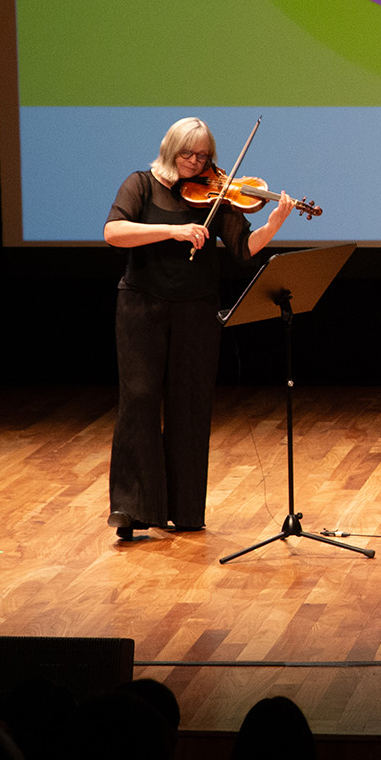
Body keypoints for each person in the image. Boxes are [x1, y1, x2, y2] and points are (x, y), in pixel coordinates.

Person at [104, 117, 293, 538]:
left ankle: (185, 510)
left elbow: (244, 249)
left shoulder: (218, 193)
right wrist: (173, 230)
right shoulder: (140, 184)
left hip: (196, 310)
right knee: (139, 400)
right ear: (171, 150)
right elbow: (114, 232)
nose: (196, 162)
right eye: (188, 154)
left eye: (203, 155)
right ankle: (131, 510)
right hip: (141, 306)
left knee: (190, 404)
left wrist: (274, 224)